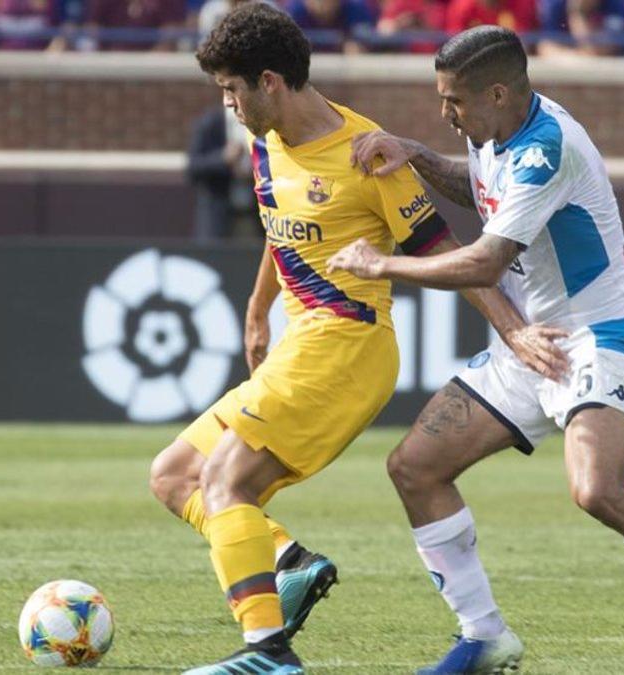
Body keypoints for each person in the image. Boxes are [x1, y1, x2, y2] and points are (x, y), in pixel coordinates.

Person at [329, 26, 624, 675]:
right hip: (532, 343)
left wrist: (379, 265)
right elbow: (483, 188)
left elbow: (486, 259)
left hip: (599, 335)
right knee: (415, 466)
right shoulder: (490, 128)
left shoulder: (548, 148)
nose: (444, 111)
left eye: (452, 100)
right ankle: (483, 635)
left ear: (499, 92)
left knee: (597, 488)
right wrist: (418, 154)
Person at [149, 6, 552, 674]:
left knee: (224, 479)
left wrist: (514, 329)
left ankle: (267, 652)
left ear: (270, 81)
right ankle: (289, 564)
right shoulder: (265, 138)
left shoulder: (366, 153)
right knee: (172, 475)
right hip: (300, 343)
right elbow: (282, 231)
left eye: (231, 90)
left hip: (349, 347)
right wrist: (257, 312)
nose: (227, 104)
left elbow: (447, 249)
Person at [186, 104, 256, 240]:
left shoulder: (264, 122)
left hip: (254, 216)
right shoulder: (211, 123)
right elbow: (193, 168)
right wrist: (223, 158)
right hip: (218, 216)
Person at [538, 0, 624, 57]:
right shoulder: (556, 4)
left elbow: (602, 50)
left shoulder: (616, 5)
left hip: (610, 79)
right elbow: (545, 47)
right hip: (570, 75)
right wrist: (578, 58)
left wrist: (578, 13)